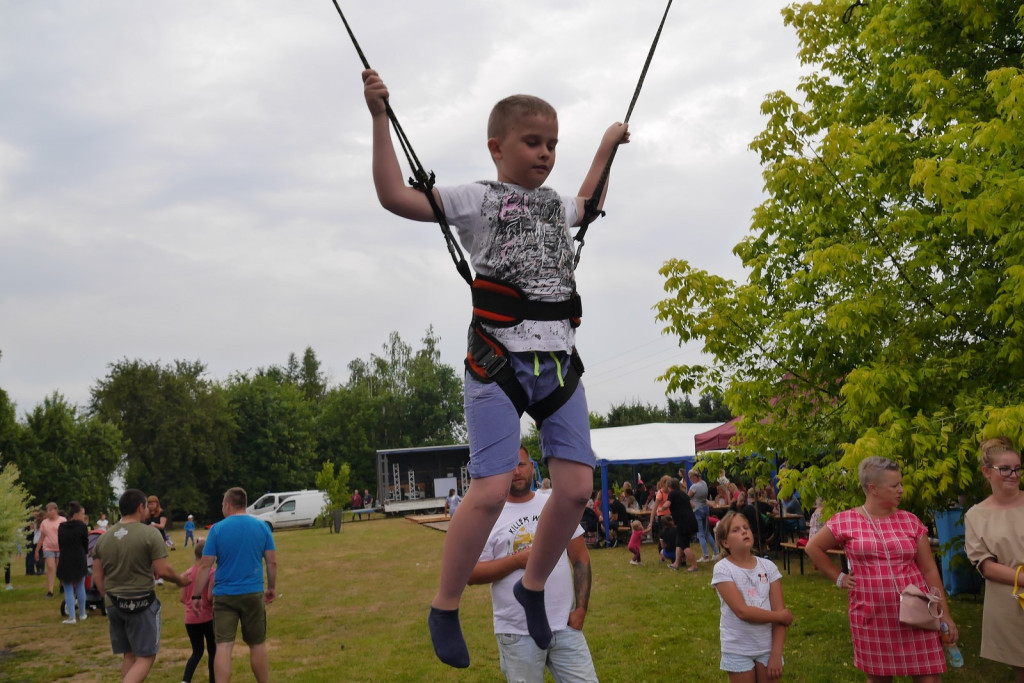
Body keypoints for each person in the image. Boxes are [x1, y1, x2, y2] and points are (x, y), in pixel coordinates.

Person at [363, 68, 629, 669]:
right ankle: (445, 603)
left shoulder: (557, 205)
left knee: (576, 488)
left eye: (553, 144)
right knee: (485, 493)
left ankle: (533, 586)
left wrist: (606, 147)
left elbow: (588, 202)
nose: (545, 154)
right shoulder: (477, 198)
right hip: (498, 361)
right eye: (534, 142)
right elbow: (392, 196)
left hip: (559, 364)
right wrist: (381, 120)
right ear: (498, 147)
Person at [805, 456, 957, 682]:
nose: (901, 490)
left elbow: (929, 571)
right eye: (894, 485)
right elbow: (813, 547)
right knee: (878, 678)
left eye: (900, 484)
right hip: (872, 616)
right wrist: (839, 578)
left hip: (917, 612)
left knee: (928, 676)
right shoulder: (846, 520)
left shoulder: (911, 521)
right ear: (872, 488)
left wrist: (944, 614)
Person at [468, 446, 598, 682]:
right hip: (517, 632)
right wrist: (517, 560)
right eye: (509, 467)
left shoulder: (553, 504)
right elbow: (471, 574)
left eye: (521, 464)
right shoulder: (488, 516)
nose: (516, 471)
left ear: (532, 467)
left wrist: (581, 609)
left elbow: (580, 557)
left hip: (564, 626)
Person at [92, 489, 191, 683]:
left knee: (129, 655)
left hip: (113, 603)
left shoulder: (103, 538)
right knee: (145, 656)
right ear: (140, 507)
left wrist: (108, 597)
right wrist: (181, 581)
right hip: (141, 603)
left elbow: (97, 574)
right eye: (146, 506)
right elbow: (162, 571)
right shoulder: (150, 533)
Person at [191, 487, 277, 683]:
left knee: (223, 646)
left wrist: (196, 596)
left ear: (228, 505)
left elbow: (205, 565)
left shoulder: (217, 529)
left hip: (224, 595)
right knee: (257, 644)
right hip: (253, 592)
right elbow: (272, 562)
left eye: (223, 504)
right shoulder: (262, 527)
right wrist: (271, 587)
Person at [964, 436, 1024, 680]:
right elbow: (986, 567)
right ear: (987, 472)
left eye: (1018, 469)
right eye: (1006, 469)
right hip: (1009, 601)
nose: (1013, 474)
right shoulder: (976, 515)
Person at [712, 510, 791, 682]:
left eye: (746, 527)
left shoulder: (768, 567)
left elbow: (780, 616)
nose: (744, 531)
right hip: (737, 649)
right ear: (725, 542)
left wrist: (776, 654)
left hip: (767, 648)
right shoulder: (723, 569)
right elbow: (743, 612)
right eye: (736, 530)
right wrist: (779, 616)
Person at [180, 538, 216, 683]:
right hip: (208, 618)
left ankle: (185, 680)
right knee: (213, 652)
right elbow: (209, 597)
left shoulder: (186, 574)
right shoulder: (211, 573)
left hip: (190, 619)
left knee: (197, 652)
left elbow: (182, 598)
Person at [56, 501, 89, 624]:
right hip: (79, 558)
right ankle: (83, 613)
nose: (83, 516)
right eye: (82, 514)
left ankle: (72, 617)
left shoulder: (62, 527)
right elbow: (85, 545)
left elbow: (60, 544)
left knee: (68, 588)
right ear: (75, 514)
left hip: (65, 558)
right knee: (80, 586)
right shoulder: (82, 527)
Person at [667, 477, 699, 572]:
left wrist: (659, 509)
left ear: (670, 486)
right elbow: (693, 505)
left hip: (683, 523)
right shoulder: (684, 494)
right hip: (691, 520)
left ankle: (694, 566)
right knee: (679, 543)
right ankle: (676, 564)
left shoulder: (672, 494)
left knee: (685, 545)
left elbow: (667, 504)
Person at [35, 502, 66, 597]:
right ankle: (50, 590)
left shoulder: (62, 520)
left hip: (60, 547)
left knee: (60, 568)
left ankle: (62, 584)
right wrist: (37, 550)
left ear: (56, 510)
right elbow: (42, 537)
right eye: (47, 511)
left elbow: (66, 535)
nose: (49, 512)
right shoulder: (45, 523)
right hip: (48, 547)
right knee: (50, 567)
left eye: (51, 510)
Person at [688, 469, 719, 562]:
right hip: (705, 509)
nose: (690, 479)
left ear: (694, 477)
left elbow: (687, 497)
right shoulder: (704, 483)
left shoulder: (694, 487)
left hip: (697, 510)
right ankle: (716, 552)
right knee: (707, 532)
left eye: (690, 478)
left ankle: (705, 555)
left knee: (700, 534)